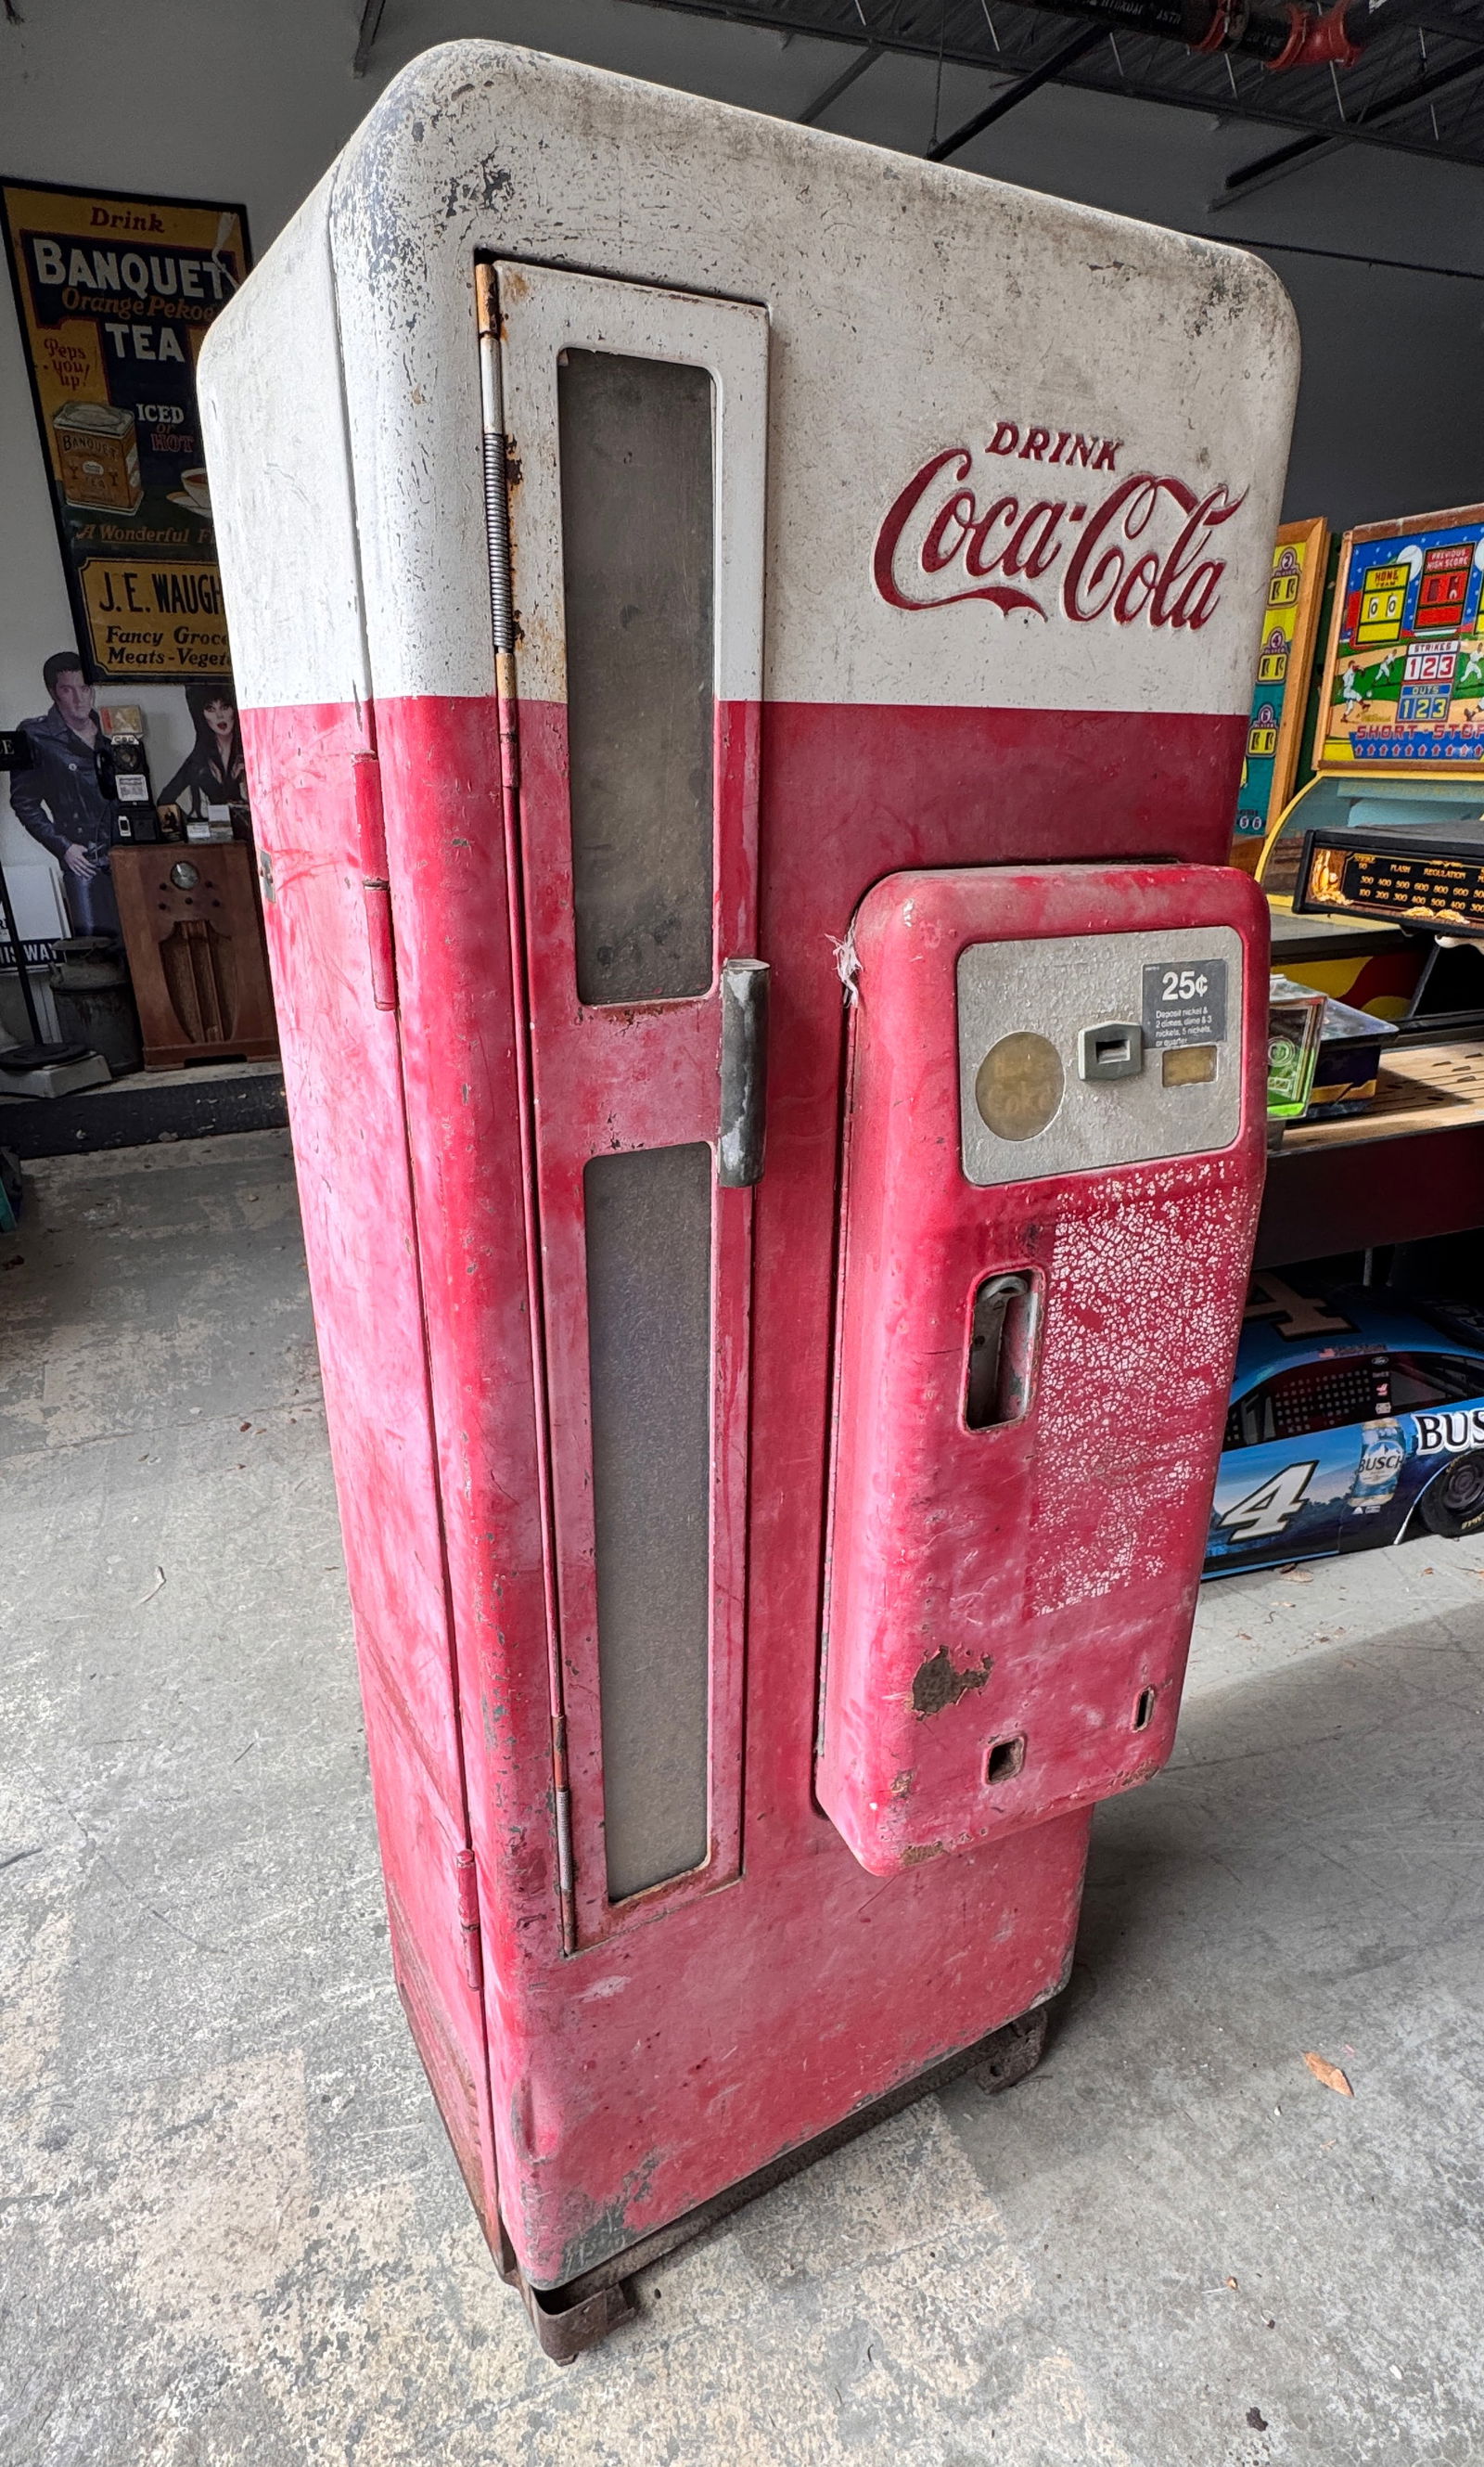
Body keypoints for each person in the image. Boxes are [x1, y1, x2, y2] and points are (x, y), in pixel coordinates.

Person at [8, 651, 123, 935]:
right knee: (96, 946)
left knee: (139, 940)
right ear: (53, 693)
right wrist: (64, 847)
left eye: (84, 688)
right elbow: (24, 802)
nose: (79, 698)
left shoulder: (114, 729)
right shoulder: (36, 735)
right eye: (67, 689)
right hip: (84, 857)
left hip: (125, 853)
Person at [157, 678, 249, 830]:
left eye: (225, 707)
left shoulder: (249, 752)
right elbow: (165, 800)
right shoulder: (199, 760)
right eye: (211, 709)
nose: (220, 716)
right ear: (202, 715)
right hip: (222, 838)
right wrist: (195, 827)